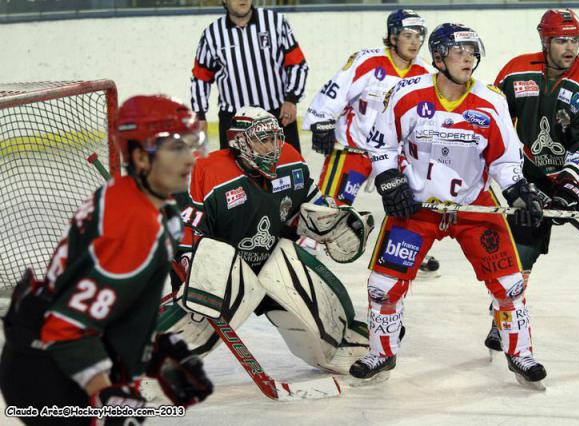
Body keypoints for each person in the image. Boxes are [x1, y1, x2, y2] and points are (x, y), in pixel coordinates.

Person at [348, 23, 549, 387]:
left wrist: (518, 188)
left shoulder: (491, 101)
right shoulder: (407, 93)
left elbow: (504, 160)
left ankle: (520, 353)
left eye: (473, 51)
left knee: (509, 284)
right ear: (439, 56)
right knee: (383, 284)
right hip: (418, 207)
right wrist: (390, 178)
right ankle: (382, 351)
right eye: (460, 51)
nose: (469, 58)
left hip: (473, 206)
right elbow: (381, 143)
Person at [0, 95, 214, 425]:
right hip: (50, 376)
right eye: (176, 147)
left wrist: (155, 354)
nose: (191, 157)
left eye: (191, 143)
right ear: (141, 157)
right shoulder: (132, 224)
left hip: (62, 355)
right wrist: (106, 395)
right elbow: (65, 328)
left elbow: (114, 308)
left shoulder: (156, 208)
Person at [158, 106, 373, 375]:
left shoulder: (290, 161)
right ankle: (151, 364)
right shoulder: (208, 172)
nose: (273, 147)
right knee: (203, 305)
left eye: (275, 138)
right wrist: (191, 267)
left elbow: (308, 207)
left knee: (317, 299)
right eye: (263, 139)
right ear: (239, 141)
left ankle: (340, 346)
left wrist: (333, 222)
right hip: (221, 270)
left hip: (268, 259)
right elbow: (186, 230)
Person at [487, 8, 579, 355]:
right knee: (518, 255)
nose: (569, 48)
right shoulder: (514, 73)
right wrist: (516, 179)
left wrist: (571, 182)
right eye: (561, 40)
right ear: (545, 40)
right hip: (535, 180)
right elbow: (494, 122)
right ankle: (504, 318)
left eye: (574, 40)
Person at [301, 9, 439, 273]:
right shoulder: (368, 61)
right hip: (356, 148)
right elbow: (337, 88)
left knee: (408, 201)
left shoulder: (424, 73)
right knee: (333, 200)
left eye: (418, 36)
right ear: (392, 36)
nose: (414, 42)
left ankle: (410, 250)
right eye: (408, 35)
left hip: (394, 154)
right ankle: (308, 245)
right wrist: (322, 119)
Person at [190, 0, 308, 152]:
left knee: (288, 172)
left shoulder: (275, 22)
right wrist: (200, 115)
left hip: (277, 116)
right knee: (236, 175)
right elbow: (200, 77)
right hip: (234, 122)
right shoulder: (212, 34)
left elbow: (297, 63)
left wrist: (292, 99)